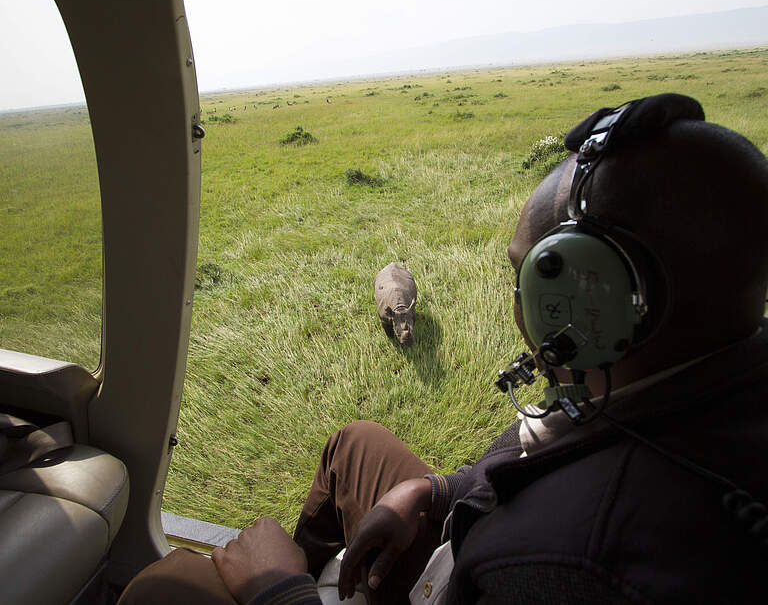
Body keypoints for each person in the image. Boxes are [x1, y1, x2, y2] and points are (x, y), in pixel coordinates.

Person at [119, 94, 768, 604]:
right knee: (355, 443)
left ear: (594, 302)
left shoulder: (571, 571)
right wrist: (430, 492)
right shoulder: (682, 379)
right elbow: (545, 460)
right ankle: (331, 573)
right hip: (470, 533)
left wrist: (277, 591)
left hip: (469, 573)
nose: (518, 305)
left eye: (531, 277)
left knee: (164, 587)